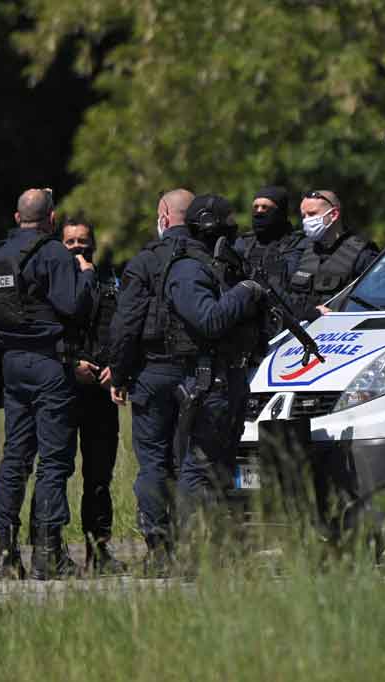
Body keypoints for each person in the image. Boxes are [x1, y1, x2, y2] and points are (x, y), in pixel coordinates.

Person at [0, 188, 95, 580]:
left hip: (12, 366)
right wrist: (87, 278)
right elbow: (71, 306)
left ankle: (4, 552)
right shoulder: (55, 255)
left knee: (15, 456)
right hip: (49, 364)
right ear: (52, 219)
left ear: (17, 218)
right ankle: (48, 553)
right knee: (54, 459)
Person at [163, 194, 264, 545]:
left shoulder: (215, 265)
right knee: (199, 465)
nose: (235, 228)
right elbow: (209, 320)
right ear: (208, 225)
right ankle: (195, 548)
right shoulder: (188, 270)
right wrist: (244, 292)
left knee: (221, 466)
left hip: (230, 379)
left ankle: (218, 544)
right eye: (228, 221)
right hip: (208, 383)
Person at [107, 188, 194, 574]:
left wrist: (120, 374)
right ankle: (198, 546)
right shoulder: (210, 257)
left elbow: (126, 324)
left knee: (154, 463)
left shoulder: (144, 262)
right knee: (193, 462)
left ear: (163, 215)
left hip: (153, 372)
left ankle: (160, 550)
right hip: (200, 375)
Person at [59, 215, 127, 575]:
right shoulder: (53, 282)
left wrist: (117, 368)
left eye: (83, 241)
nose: (77, 248)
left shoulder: (110, 280)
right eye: (70, 242)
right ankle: (49, 549)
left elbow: (123, 328)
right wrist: (72, 364)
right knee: (55, 471)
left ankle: (98, 551)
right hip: (66, 387)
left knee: (99, 476)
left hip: (102, 389)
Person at [234, 185, 307, 350]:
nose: (259, 212)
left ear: (279, 211)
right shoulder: (242, 244)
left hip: (285, 329)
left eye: (266, 207)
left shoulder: (298, 245)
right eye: (256, 207)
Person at [288, 190, 378, 322]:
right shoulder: (301, 250)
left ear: (334, 214)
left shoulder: (363, 254)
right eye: (304, 216)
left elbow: (372, 302)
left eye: (312, 214)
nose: (306, 221)